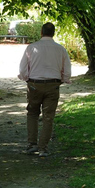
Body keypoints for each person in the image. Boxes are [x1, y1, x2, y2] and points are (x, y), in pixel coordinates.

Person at [18, 22, 72, 157]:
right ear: (53, 33)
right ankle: (43, 148)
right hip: (53, 84)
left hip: (34, 84)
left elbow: (23, 68)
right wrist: (63, 80)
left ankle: (32, 144)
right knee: (48, 117)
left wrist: (26, 78)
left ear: (41, 32)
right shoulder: (60, 49)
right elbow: (67, 69)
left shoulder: (31, 48)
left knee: (32, 113)